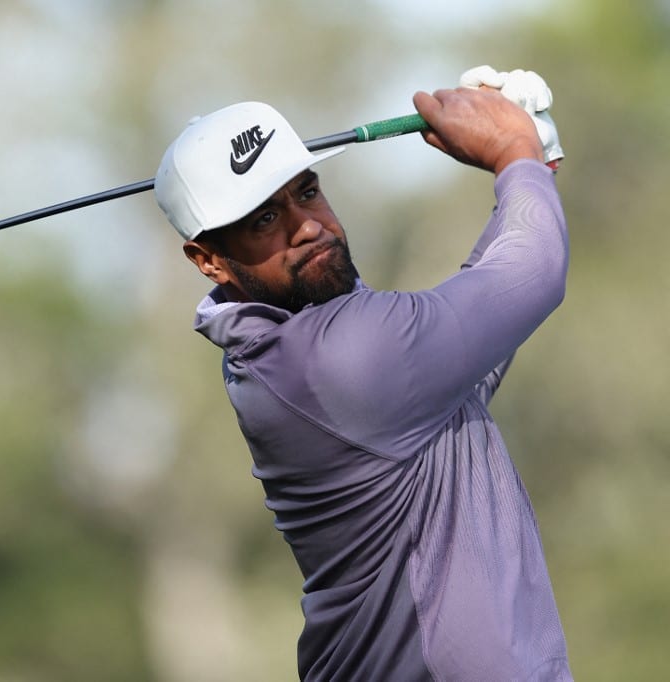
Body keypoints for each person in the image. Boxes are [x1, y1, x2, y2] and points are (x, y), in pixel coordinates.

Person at [153, 66, 572, 681]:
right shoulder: (330, 360)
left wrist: (534, 173)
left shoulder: (308, 347)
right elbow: (533, 272)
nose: (309, 226)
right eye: (264, 219)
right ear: (208, 259)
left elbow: (470, 355)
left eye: (307, 190)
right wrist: (516, 153)